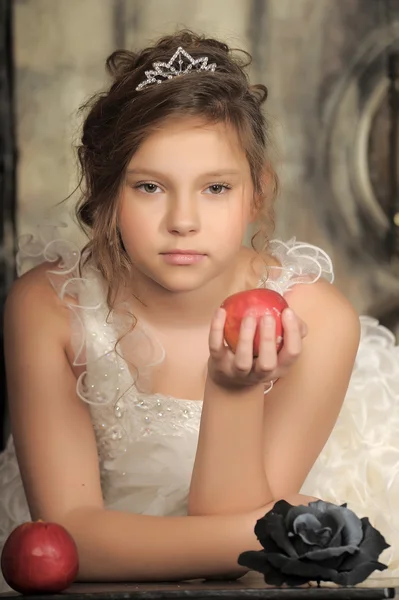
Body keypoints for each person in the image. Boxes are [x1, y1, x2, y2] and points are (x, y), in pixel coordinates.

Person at [0, 30, 397, 591]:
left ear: (257, 192)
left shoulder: (318, 319)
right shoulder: (48, 307)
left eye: (214, 187)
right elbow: (69, 536)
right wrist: (278, 535)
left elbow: (234, 562)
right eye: (149, 187)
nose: (182, 220)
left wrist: (233, 390)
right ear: (106, 190)